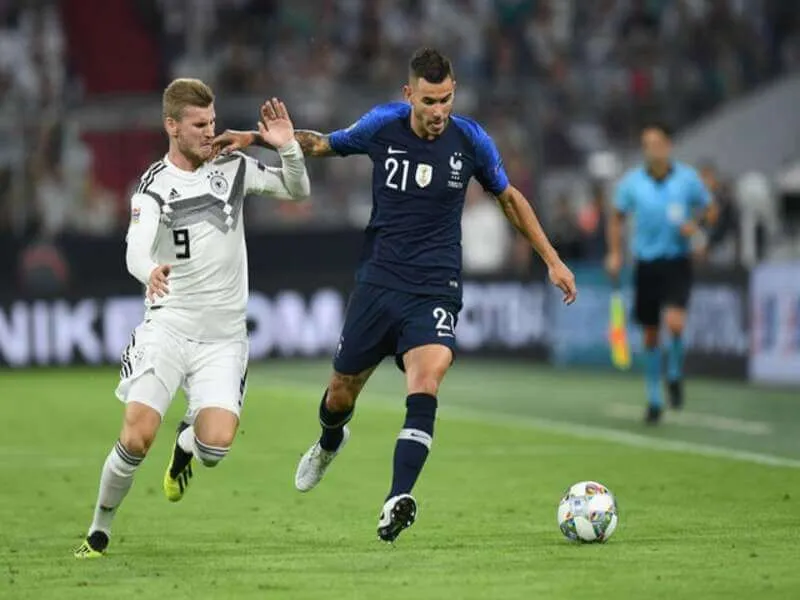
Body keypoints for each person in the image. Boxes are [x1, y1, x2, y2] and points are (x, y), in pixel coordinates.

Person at [214, 48, 576, 543]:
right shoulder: (382, 125)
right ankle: (328, 443)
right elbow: (322, 144)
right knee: (340, 394)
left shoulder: (471, 140)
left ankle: (396, 499)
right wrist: (258, 139)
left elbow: (509, 198)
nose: (439, 111)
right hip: (378, 283)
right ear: (409, 95)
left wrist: (552, 259)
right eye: (429, 101)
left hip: (435, 287)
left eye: (446, 99)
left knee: (426, 380)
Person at [74, 79, 310, 558]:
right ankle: (99, 530)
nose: (209, 132)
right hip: (170, 327)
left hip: (224, 338)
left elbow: (297, 190)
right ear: (172, 126)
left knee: (216, 448)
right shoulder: (153, 186)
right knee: (137, 437)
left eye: (213, 122)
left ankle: (186, 443)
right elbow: (135, 249)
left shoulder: (232, 166)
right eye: (199, 124)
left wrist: (286, 147)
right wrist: (149, 271)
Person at [605, 123, 714, 424]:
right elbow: (616, 217)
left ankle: (674, 373)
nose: (651, 150)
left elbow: (710, 208)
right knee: (651, 333)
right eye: (646, 144)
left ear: (667, 146)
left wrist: (697, 227)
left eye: (656, 143)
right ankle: (654, 397)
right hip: (646, 263)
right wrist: (614, 252)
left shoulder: (687, 179)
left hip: (677, 261)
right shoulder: (632, 183)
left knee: (675, 323)